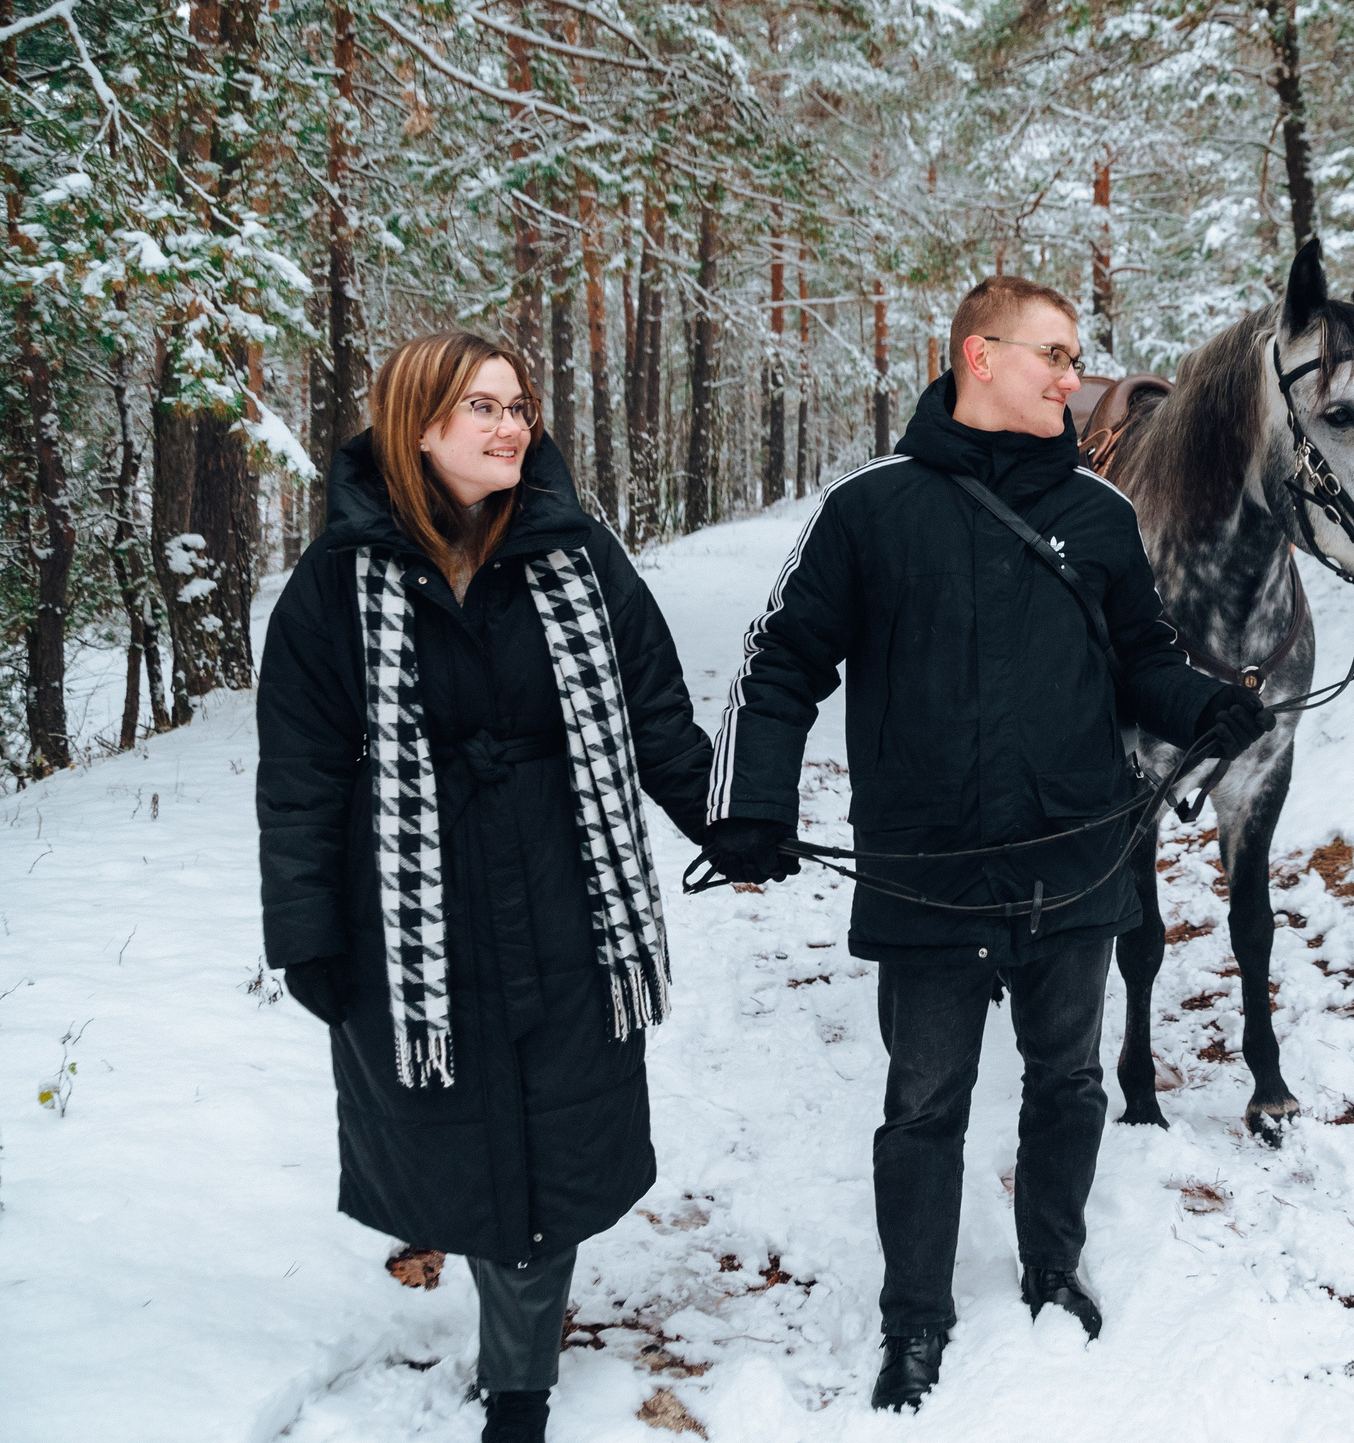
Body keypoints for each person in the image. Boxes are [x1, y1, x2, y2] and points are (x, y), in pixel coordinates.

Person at [700, 276, 1273, 1411]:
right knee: (924, 1103)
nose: (1074, 377)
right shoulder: (870, 509)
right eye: (1053, 355)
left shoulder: (1103, 518)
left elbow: (1141, 658)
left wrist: (1202, 702)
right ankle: (914, 1318)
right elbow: (779, 662)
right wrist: (750, 803)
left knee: (1066, 1083)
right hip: (931, 870)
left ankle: (1051, 1267)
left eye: (1074, 357)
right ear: (979, 355)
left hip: (1077, 856)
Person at [257, 332, 713, 1443]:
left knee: (548, 1144)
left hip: (567, 893)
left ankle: (519, 1383)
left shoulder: (580, 555)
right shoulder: (334, 585)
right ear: (418, 427)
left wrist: (730, 818)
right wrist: (304, 930)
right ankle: (494, 1307)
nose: (513, 425)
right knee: (456, 1134)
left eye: (519, 405)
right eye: (483, 407)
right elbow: (303, 775)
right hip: (410, 918)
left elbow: (655, 712)